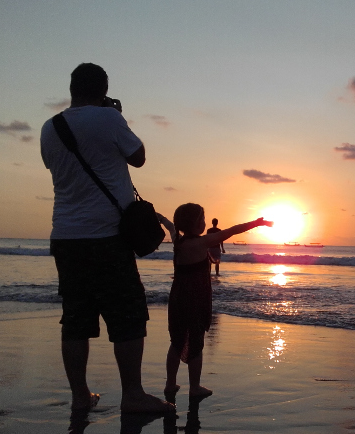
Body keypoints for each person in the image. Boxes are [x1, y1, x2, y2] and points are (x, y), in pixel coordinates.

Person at [40, 62, 172, 414]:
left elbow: (58, 169)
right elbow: (139, 158)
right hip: (108, 237)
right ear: (103, 90)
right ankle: (132, 394)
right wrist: (116, 115)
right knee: (128, 317)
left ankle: (80, 396)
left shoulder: (49, 128)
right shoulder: (109, 119)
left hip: (66, 236)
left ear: (71, 88)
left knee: (76, 320)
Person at [157, 205, 272, 399]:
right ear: (195, 223)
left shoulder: (177, 240)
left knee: (176, 342)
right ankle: (194, 387)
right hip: (195, 298)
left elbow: (169, 224)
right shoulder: (203, 242)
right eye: (202, 219)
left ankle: (170, 384)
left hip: (177, 297)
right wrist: (257, 223)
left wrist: (158, 216)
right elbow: (233, 230)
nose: (204, 222)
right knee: (196, 342)